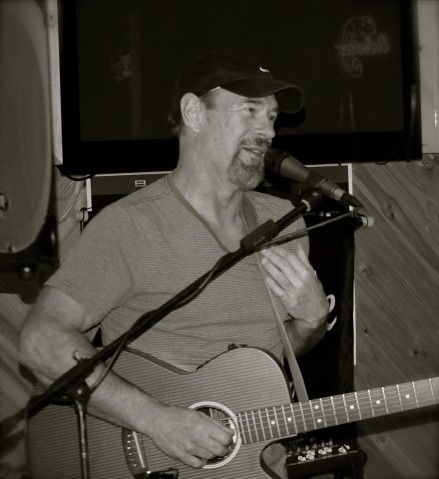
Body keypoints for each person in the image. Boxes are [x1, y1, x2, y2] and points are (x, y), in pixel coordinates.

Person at [18, 51, 329, 478]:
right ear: (193, 113)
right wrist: (155, 419)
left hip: (255, 465)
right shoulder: (131, 226)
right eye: (250, 111)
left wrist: (310, 324)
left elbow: (271, 354)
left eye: (272, 117)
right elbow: (40, 341)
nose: (268, 131)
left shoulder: (287, 224)